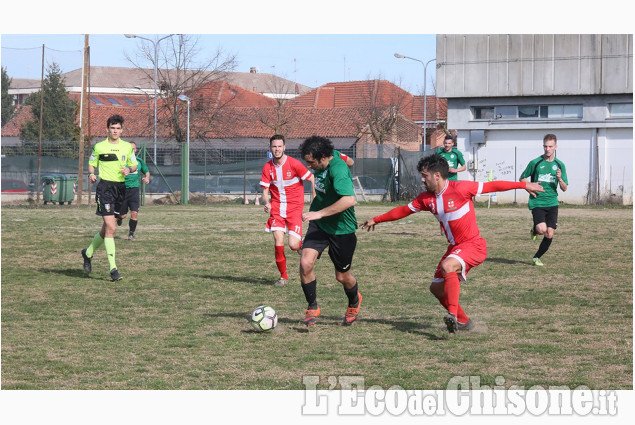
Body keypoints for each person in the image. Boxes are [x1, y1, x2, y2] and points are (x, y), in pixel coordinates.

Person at [361, 154, 544, 333]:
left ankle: (452, 315)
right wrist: (376, 219)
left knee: (448, 265)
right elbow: (403, 210)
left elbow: (492, 186)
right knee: (436, 288)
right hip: (456, 247)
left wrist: (523, 185)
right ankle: (464, 322)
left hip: (473, 245)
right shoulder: (426, 198)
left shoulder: (461, 188)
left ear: (437, 176)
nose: (422, 180)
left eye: (425, 176)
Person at [298, 136, 361, 327]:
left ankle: (354, 301)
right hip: (320, 224)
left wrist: (320, 213)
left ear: (323, 157)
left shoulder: (337, 170)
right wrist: (319, 215)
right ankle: (312, 306)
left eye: (311, 162)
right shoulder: (332, 156)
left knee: (342, 276)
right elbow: (351, 160)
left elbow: (349, 200)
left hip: (342, 228)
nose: (308, 166)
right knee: (305, 263)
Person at [81, 114, 137, 281]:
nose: (115, 131)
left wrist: (129, 170)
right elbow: (92, 164)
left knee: (108, 228)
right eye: (112, 128)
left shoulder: (127, 147)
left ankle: (88, 253)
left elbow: (133, 164)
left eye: (118, 128)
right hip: (105, 188)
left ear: (122, 130)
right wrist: (91, 174)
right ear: (107, 129)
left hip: (121, 189)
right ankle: (113, 269)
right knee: (111, 228)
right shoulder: (99, 147)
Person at [260, 134, 315, 287]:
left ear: (284, 147)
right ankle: (283, 276)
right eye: (274, 146)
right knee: (278, 242)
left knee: (293, 245)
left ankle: (300, 245)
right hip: (277, 208)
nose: (277, 149)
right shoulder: (267, 167)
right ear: (270, 148)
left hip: (294, 208)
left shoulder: (294, 164)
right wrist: (267, 202)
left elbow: (311, 178)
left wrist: (314, 199)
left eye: (279, 146)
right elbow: (265, 190)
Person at [520, 134, 568, 266]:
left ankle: (537, 257)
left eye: (550, 146)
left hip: (552, 202)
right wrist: (529, 189)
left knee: (549, 233)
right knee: (542, 229)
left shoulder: (560, 165)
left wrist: (560, 179)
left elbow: (564, 188)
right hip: (538, 202)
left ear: (555, 147)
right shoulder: (535, 163)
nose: (547, 149)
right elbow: (522, 179)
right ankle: (535, 229)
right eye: (545, 146)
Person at [117, 142, 150, 240]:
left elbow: (146, 171)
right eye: (130, 148)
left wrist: (147, 178)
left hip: (134, 190)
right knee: (122, 215)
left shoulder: (139, 161)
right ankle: (119, 218)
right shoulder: (121, 160)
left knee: (134, 212)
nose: (132, 150)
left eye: (134, 148)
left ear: (136, 150)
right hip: (122, 189)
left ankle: (131, 234)